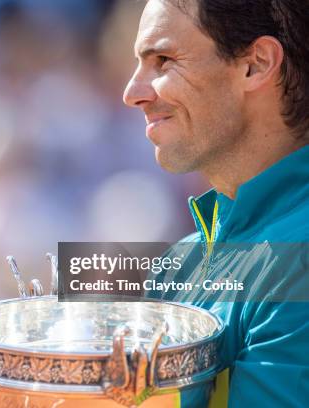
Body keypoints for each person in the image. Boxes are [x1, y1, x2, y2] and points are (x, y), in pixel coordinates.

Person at [123, 0, 309, 407]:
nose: (132, 93)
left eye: (163, 60)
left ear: (255, 64)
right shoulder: (181, 260)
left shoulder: (298, 258)